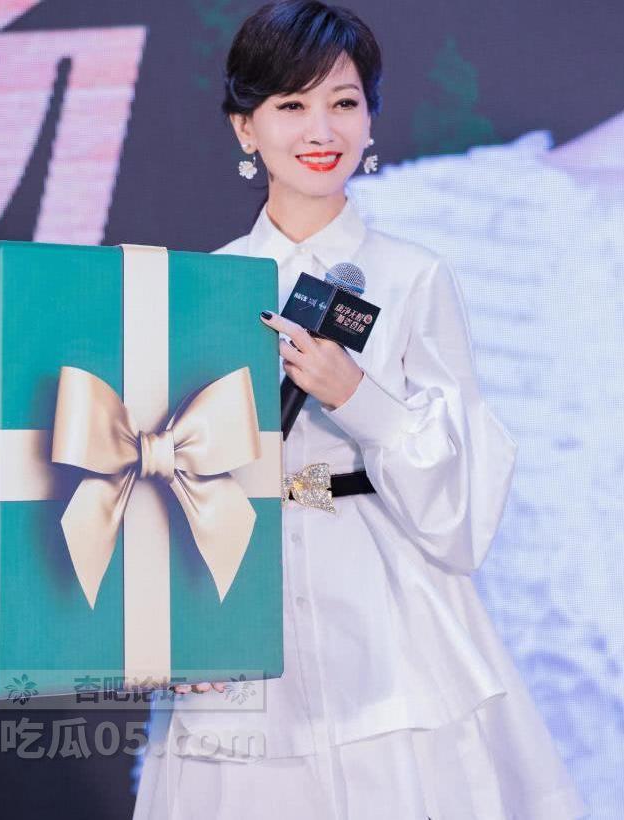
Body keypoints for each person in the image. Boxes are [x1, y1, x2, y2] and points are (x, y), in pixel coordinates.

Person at [132, 2, 588, 818]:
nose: (321, 129)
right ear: (245, 128)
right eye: (291, 104)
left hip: (388, 615)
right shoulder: (200, 285)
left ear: (370, 118)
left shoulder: (415, 276)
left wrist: (357, 399)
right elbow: (153, 478)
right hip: (239, 611)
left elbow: (461, 510)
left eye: (343, 102)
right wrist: (171, 620)